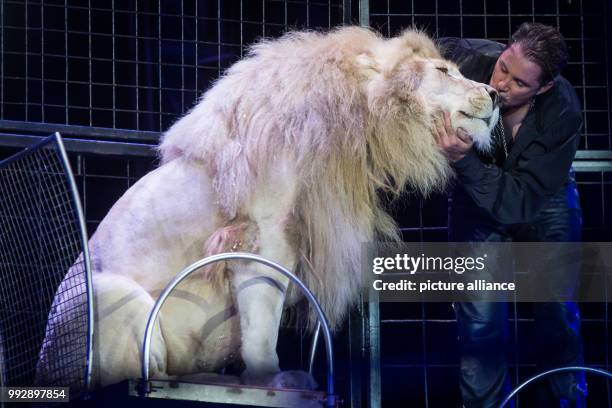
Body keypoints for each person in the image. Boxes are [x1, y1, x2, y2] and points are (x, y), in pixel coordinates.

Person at [434, 23, 587, 407]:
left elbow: (520, 200)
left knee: (556, 316)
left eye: (520, 83)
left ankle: (567, 404)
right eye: (503, 67)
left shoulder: (563, 111)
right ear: (502, 51)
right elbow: (413, 59)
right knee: (481, 328)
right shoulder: (466, 58)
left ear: (544, 88)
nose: (502, 84)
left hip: (540, 199)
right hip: (476, 199)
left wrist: (465, 161)